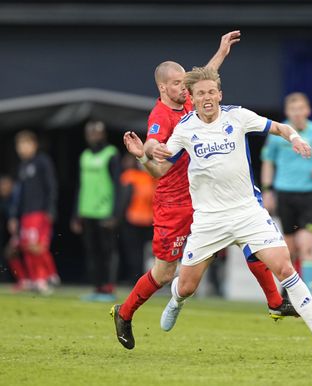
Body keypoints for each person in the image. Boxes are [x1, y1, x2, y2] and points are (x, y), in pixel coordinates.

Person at [112, 31, 296, 351]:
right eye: (178, 85)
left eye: (186, 84)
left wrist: (221, 52)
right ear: (162, 88)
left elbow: (203, 82)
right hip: (175, 202)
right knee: (166, 272)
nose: (186, 89)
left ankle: (275, 301)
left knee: (247, 236)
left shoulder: (188, 98)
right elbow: (155, 148)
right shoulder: (160, 116)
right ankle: (124, 313)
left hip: (208, 196)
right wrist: (144, 152)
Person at [150, 66, 312, 360]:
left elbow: (280, 127)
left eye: (211, 92)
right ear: (192, 96)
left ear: (219, 94)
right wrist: (145, 153)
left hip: (247, 212)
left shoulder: (238, 116)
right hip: (209, 219)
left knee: (285, 268)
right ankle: (176, 301)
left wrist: (295, 139)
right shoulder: (185, 128)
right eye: (200, 93)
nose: (207, 98)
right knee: (187, 286)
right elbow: (163, 167)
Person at [261, 92, 312, 302]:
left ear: (307, 110)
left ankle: (310, 295)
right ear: (287, 112)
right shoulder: (279, 133)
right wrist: (267, 190)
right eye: (293, 109)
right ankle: (290, 293)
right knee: (290, 251)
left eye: (301, 109)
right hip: (285, 194)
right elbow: (267, 162)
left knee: (306, 246)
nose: (297, 113)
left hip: (310, 194)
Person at [71, 121, 121, 302]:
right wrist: (76, 214)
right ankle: (97, 287)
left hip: (105, 211)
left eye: (96, 132)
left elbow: (117, 186)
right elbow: (80, 186)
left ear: (103, 134)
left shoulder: (111, 154)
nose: (93, 136)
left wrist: (115, 214)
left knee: (107, 251)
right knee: (92, 252)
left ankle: (108, 287)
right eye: (89, 132)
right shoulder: (84, 156)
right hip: (87, 210)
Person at [8, 131, 59, 294]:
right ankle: (33, 279)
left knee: (36, 246)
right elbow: (19, 194)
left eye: (26, 144)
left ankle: (46, 277)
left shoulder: (42, 162)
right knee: (24, 247)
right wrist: (14, 216)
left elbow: (51, 186)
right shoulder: (22, 167)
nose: (22, 148)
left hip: (39, 211)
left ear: (34, 145)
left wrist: (50, 208)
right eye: (20, 145)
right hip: (25, 213)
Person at [118, 154, 155, 283]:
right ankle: (136, 278)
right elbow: (124, 199)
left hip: (146, 221)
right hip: (136, 220)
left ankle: (142, 279)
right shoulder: (131, 176)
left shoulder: (152, 177)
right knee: (135, 253)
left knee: (141, 254)